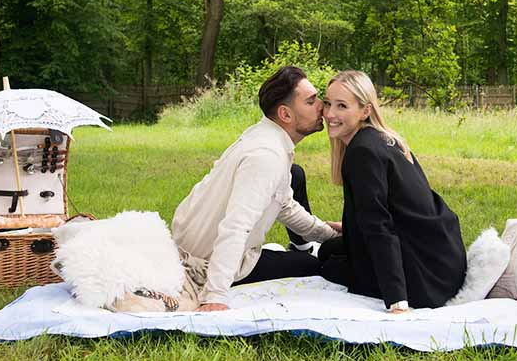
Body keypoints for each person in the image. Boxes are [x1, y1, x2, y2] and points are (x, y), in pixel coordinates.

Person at [170, 66, 340, 312]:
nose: (322, 106)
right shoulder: (267, 156)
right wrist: (215, 295)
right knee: (312, 267)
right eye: (311, 101)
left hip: (195, 242)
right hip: (205, 259)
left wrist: (329, 234)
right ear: (285, 114)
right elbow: (236, 225)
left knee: (296, 177)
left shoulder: (267, 137)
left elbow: (286, 206)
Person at [318, 71, 466, 313]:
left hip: (424, 277)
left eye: (342, 106)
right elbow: (401, 205)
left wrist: (397, 299)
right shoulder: (386, 139)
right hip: (445, 262)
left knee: (328, 262)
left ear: (365, 111)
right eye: (327, 103)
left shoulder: (361, 152)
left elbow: (378, 224)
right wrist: (351, 228)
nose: (330, 114)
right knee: (331, 248)